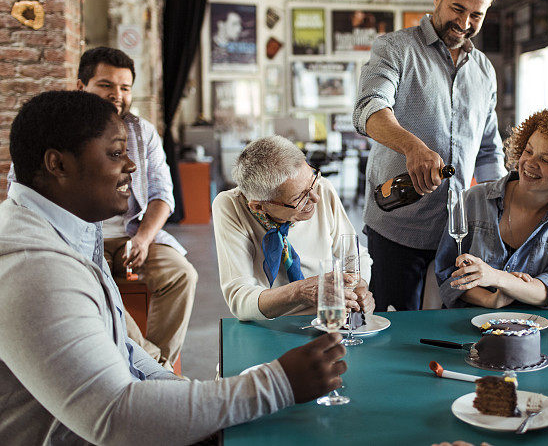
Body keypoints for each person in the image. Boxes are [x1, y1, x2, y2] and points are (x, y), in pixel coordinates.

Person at [0, 91, 346, 444]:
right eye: (116, 153)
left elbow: (126, 353)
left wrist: (185, 394)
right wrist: (277, 384)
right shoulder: (35, 269)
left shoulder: (75, 229)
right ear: (57, 164)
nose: (132, 166)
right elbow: (117, 417)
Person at [6, 47, 196, 371]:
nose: (117, 95)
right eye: (106, 85)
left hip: (132, 235)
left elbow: (164, 194)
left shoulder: (143, 131)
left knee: (182, 274)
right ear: (82, 86)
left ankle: (155, 367)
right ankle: (147, 368)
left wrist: (144, 239)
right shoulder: (53, 128)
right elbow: (22, 189)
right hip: (76, 237)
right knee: (102, 285)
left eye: (124, 87)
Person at [353, 0, 506, 311]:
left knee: (454, 333)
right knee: (394, 332)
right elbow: (367, 109)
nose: (465, 23)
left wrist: (502, 210)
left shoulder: (484, 70)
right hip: (397, 231)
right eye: (457, 8)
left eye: (477, 15)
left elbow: (487, 151)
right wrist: (412, 146)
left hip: (459, 235)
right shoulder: (393, 49)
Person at [435, 108, 548, 310]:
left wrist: (498, 278)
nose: (530, 163)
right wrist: (490, 300)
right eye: (528, 150)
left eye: (546, 160)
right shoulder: (473, 200)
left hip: (533, 330)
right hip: (463, 325)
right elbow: (447, 273)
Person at [213, 136, 374, 320]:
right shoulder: (230, 206)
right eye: (299, 198)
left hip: (328, 318)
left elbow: (355, 255)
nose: (315, 198)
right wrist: (301, 291)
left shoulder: (321, 189)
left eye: (313, 179)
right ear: (258, 206)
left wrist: (360, 288)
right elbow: (240, 299)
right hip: (271, 322)